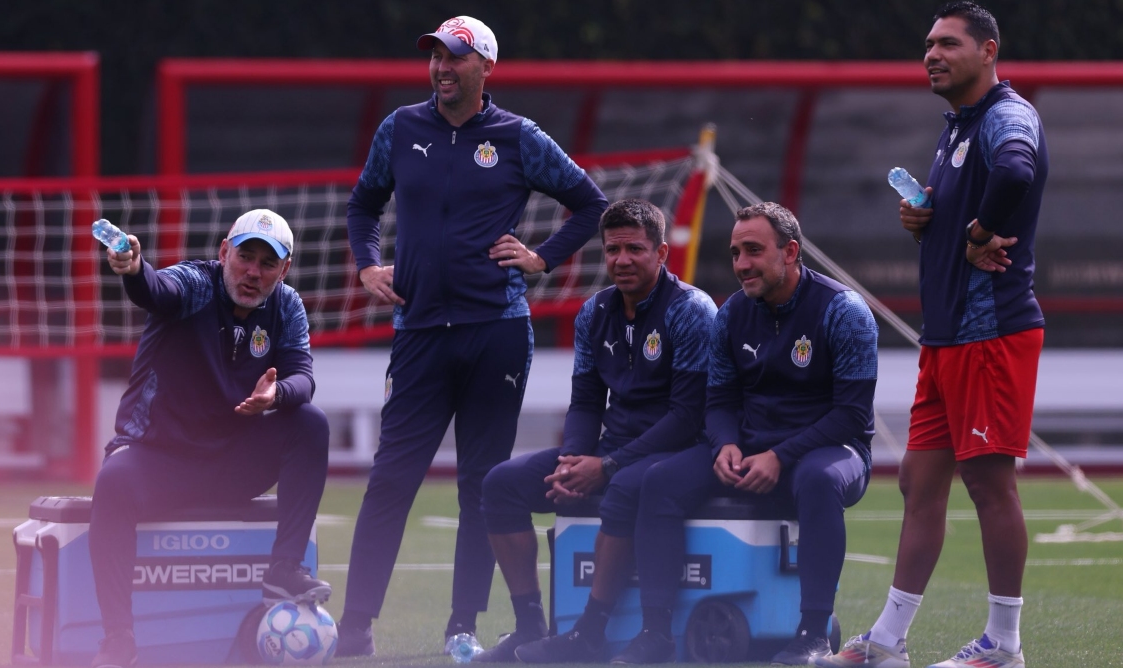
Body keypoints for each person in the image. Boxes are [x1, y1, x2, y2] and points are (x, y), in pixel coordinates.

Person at [338, 15, 609, 657]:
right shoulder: (400, 128)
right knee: (390, 478)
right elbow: (361, 205)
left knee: (481, 483)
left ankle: (463, 624)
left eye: (455, 57)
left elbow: (591, 204)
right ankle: (354, 627)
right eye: (434, 56)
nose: (441, 67)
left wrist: (541, 257)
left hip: (498, 333)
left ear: (486, 67)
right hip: (420, 332)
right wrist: (367, 263)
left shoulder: (519, 137)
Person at [818, 3, 1046, 668]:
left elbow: (1015, 173)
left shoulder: (1006, 115)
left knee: (988, 483)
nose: (932, 54)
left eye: (949, 43)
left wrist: (976, 234)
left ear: (989, 50)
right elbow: (980, 191)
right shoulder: (957, 129)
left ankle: (1004, 645)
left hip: (991, 332)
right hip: (947, 337)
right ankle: (888, 642)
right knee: (919, 482)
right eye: (928, 45)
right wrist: (930, 216)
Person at [619, 202, 877, 666]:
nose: (741, 264)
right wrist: (726, 445)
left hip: (830, 449)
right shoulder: (731, 314)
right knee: (659, 480)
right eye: (736, 252)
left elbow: (852, 416)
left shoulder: (844, 311)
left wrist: (780, 455)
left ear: (791, 251)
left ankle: (813, 633)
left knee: (818, 480)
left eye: (753, 251)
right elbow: (718, 403)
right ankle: (656, 631)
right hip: (753, 448)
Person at [473, 199, 717, 663]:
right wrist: (572, 461)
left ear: (662, 253)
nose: (621, 260)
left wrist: (604, 466)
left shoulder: (691, 311)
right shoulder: (594, 313)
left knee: (624, 485)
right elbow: (586, 401)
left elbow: (688, 416)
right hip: (611, 450)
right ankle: (529, 626)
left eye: (635, 250)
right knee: (500, 484)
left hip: (678, 448)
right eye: (612, 250)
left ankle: (590, 631)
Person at [87, 209, 332, 668]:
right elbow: (155, 290)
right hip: (160, 458)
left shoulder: (288, 305)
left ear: (284, 270)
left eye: (267, 263)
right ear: (224, 253)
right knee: (114, 482)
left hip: (229, 463)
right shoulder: (196, 284)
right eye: (245, 257)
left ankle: (283, 570)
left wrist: (276, 395)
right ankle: (119, 638)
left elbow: (304, 379)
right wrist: (135, 268)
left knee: (310, 424)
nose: (253, 272)